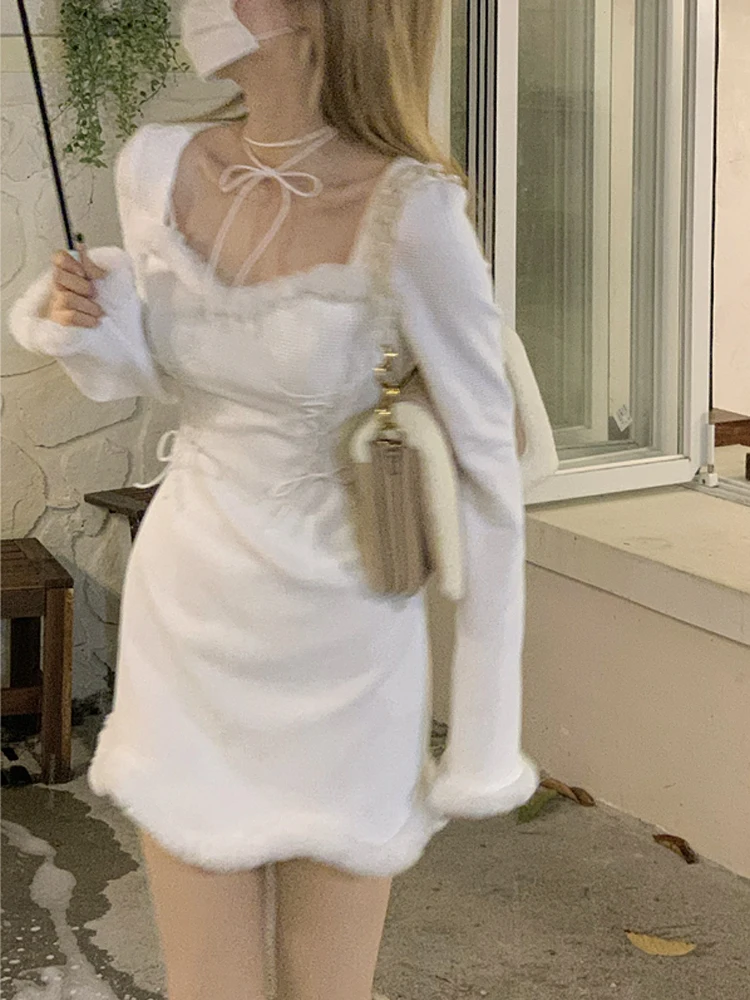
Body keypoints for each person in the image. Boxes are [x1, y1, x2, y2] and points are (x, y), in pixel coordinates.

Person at [10, 1, 557, 998]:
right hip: (190, 602)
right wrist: (86, 317)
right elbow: (154, 368)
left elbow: (488, 465)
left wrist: (483, 738)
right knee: (207, 981)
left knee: (327, 985)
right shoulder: (155, 165)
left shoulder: (412, 208)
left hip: (346, 629)